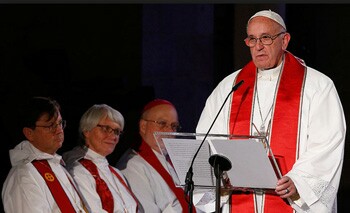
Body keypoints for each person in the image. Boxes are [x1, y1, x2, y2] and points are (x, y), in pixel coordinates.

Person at [196, 10, 346, 213]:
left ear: (284, 40)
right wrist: (222, 178)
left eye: (266, 38)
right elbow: (206, 141)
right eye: (252, 39)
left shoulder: (317, 86)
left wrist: (298, 182)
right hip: (240, 201)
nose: (258, 46)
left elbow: (328, 143)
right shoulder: (230, 87)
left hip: (289, 200)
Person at [1, 96, 86, 212]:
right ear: (29, 133)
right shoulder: (24, 175)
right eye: (51, 126)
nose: (59, 130)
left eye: (60, 123)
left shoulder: (58, 166)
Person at [117, 99, 193, 212]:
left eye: (174, 126)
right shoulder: (132, 166)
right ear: (143, 126)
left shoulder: (176, 160)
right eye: (162, 124)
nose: (169, 131)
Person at [63, 104, 140, 213]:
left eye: (117, 131)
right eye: (106, 128)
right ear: (87, 131)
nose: (113, 136)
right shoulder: (78, 171)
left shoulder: (116, 173)